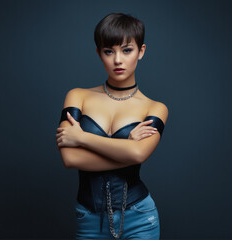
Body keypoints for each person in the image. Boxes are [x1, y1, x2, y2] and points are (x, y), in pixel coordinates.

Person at [55, 12, 168, 239]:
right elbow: (71, 159)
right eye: (109, 51)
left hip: (140, 217)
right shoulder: (78, 96)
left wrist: (82, 138)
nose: (118, 60)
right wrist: (125, 147)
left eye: (127, 50)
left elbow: (137, 154)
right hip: (89, 219)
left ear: (141, 51)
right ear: (99, 53)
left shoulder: (156, 109)